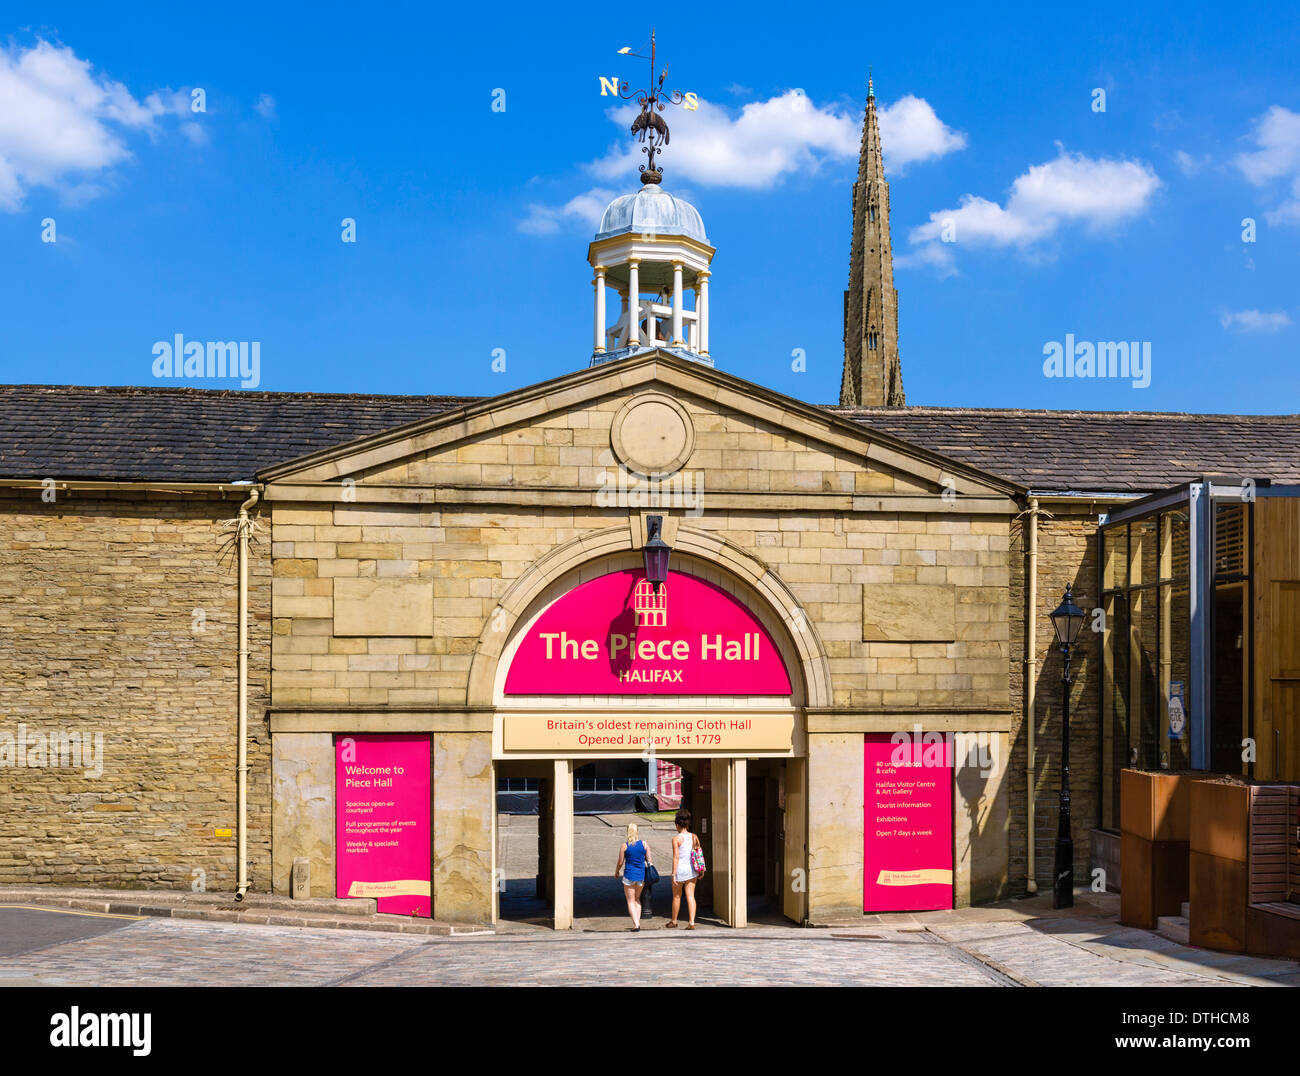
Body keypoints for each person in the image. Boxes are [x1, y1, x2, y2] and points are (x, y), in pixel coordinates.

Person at [615, 822, 653, 931]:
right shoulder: (644, 844)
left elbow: (620, 862)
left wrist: (617, 871)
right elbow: (649, 860)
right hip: (641, 876)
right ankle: (638, 922)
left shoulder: (625, 846)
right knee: (637, 899)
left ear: (628, 832)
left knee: (630, 901)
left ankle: (636, 924)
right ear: (637, 832)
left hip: (629, 875)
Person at [667, 808, 700, 929]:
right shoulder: (694, 837)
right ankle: (691, 922)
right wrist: (700, 869)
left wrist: (673, 874)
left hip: (680, 870)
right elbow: (698, 854)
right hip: (692, 870)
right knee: (691, 895)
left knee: (676, 896)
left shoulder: (676, 839)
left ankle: (674, 921)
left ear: (677, 824)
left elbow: (676, 857)